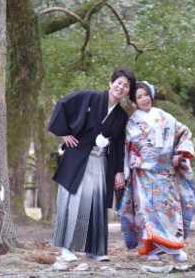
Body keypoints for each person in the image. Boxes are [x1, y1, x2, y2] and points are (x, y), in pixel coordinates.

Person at [48, 68, 137, 262]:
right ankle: (66, 248)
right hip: (78, 157)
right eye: (118, 83)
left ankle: (94, 250)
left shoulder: (121, 116)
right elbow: (63, 104)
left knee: (96, 205)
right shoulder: (89, 97)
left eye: (126, 86)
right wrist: (65, 132)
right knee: (72, 202)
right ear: (110, 83)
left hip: (101, 162)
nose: (120, 87)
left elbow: (118, 145)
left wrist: (119, 172)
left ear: (128, 92)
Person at [117, 80, 195, 262]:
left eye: (146, 95)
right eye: (139, 97)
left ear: (151, 95)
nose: (144, 99)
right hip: (143, 175)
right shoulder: (131, 124)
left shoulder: (165, 117)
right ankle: (152, 248)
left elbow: (184, 132)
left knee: (170, 208)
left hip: (165, 173)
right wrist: (125, 171)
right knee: (146, 212)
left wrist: (179, 153)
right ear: (134, 101)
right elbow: (125, 149)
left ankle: (174, 248)